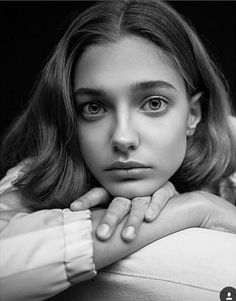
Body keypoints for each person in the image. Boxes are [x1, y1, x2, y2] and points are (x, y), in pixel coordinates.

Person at [0, 0, 235, 300]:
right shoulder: (38, 174)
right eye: (94, 107)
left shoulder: (227, 149)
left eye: (153, 103)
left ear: (193, 115)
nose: (123, 138)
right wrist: (195, 209)